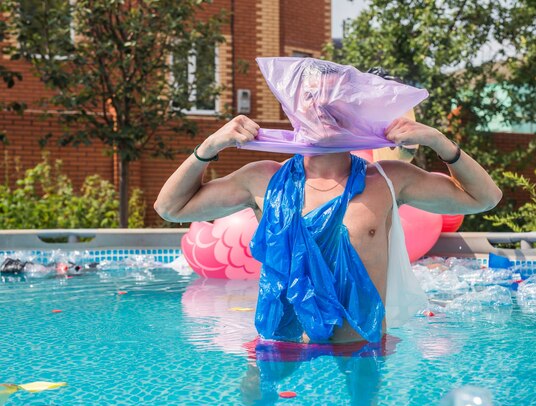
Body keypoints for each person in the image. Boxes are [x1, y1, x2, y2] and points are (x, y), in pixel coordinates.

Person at [154, 61, 502, 346]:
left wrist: (441, 144)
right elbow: (171, 209)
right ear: (293, 105)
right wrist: (209, 147)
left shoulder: (387, 180)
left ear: (354, 111)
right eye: (310, 96)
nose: (321, 105)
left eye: (334, 98)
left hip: (359, 353)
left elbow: (484, 199)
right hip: (281, 348)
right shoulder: (262, 179)